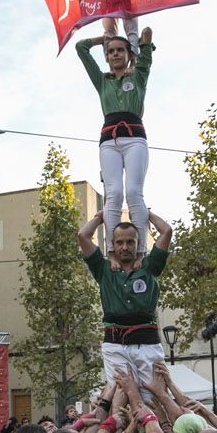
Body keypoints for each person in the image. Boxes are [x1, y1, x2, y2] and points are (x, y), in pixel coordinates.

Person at [76, 26, 156, 240]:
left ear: (129, 54)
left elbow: (146, 44)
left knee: (133, 192)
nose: (115, 54)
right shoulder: (102, 81)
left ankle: (140, 248)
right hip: (109, 141)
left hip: (134, 139)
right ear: (107, 57)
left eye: (120, 50)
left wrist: (144, 43)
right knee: (114, 194)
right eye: (111, 51)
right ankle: (113, 249)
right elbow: (80, 47)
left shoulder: (138, 77)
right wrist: (102, 39)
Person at [77, 209, 173, 385]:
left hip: (147, 343)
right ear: (112, 245)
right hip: (115, 344)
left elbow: (166, 231)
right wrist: (100, 217)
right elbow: (83, 235)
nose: (125, 247)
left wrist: (145, 213)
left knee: (154, 393)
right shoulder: (103, 269)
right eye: (119, 242)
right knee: (121, 392)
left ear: (139, 243)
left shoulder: (150, 266)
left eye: (130, 242)